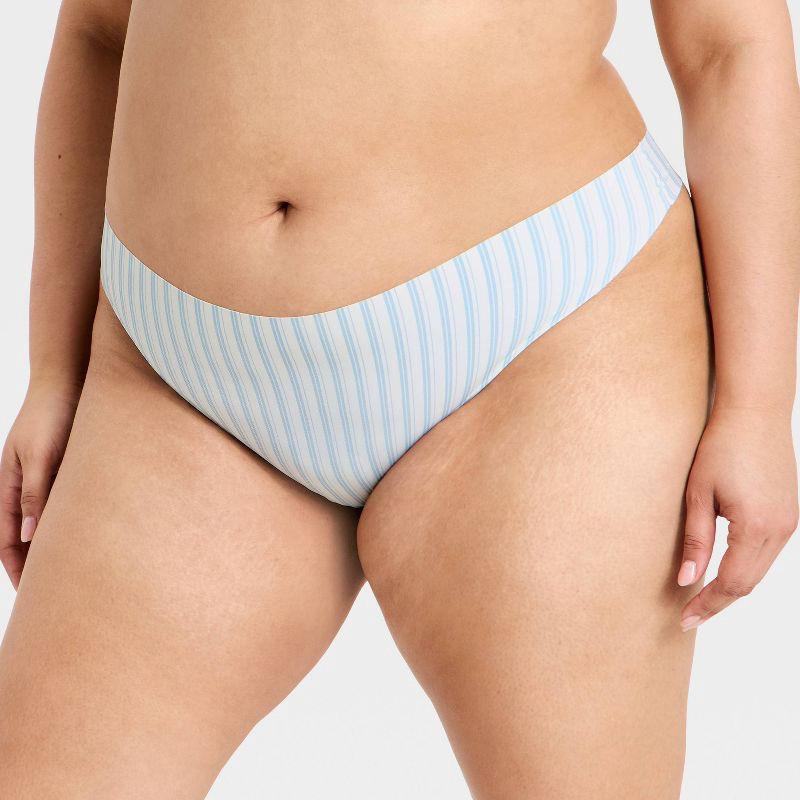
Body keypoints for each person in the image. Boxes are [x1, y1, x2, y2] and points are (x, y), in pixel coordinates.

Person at [1, 1, 798, 797]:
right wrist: (54, 369)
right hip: (174, 371)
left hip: (545, 332)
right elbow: (98, 31)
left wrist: (758, 408)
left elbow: (727, 46)